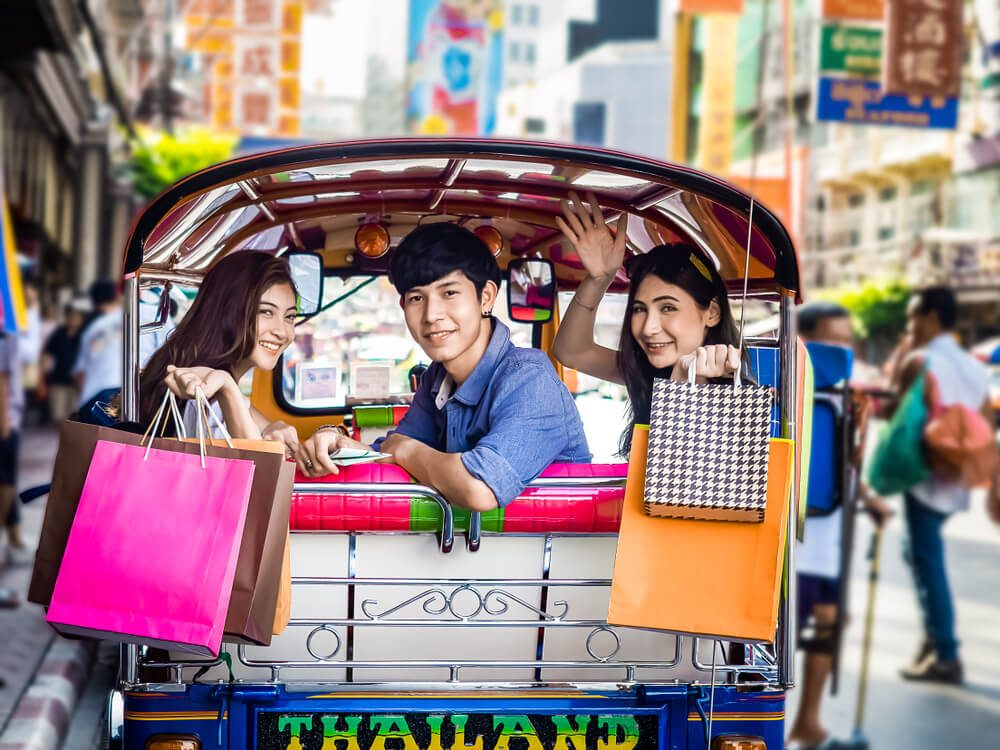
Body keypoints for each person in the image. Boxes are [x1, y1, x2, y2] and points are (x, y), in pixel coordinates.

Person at [298, 222, 591, 511]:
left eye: (449, 293)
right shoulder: (438, 378)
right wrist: (337, 442)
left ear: (485, 297)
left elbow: (480, 488)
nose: (431, 314)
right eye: (416, 298)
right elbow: (391, 451)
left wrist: (407, 450)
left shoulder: (530, 378)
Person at [552, 192, 743, 454]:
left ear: (711, 313)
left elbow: (676, 482)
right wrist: (600, 279)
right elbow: (572, 351)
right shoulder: (651, 371)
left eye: (668, 308)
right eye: (640, 309)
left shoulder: (736, 384)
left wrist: (684, 387)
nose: (648, 327)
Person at [786, 302, 891, 750]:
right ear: (805, 342)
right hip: (789, 538)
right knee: (768, 639)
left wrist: (868, 499)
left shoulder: (852, 399)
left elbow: (846, 468)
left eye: (847, 341)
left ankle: (808, 724)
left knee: (827, 627)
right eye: (833, 340)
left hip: (830, 539)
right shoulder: (783, 387)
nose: (842, 351)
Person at [889, 286, 995, 685]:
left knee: (926, 559)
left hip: (924, 475)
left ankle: (945, 651)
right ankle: (933, 638)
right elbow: (985, 422)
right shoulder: (971, 364)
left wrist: (901, 355)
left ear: (932, 316)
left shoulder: (921, 360)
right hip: (958, 472)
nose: (910, 324)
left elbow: (895, 415)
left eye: (914, 315)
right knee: (919, 553)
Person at [140, 251, 300, 451]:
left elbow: (249, 412)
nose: (282, 332)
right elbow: (261, 474)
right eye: (266, 312)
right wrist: (226, 385)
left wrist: (273, 426)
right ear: (228, 311)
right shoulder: (204, 389)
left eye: (290, 317)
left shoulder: (195, 367)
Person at [73, 279, 123, 409]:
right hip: (125, 391)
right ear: (117, 296)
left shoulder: (90, 329)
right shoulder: (134, 319)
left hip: (94, 395)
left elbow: (80, 372)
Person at [42, 300, 88, 423]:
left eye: (76, 316)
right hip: (58, 381)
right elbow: (47, 355)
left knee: (73, 416)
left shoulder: (85, 335)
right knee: (57, 416)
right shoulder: (58, 334)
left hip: (77, 384)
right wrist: (42, 377)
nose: (73, 319)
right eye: (70, 315)